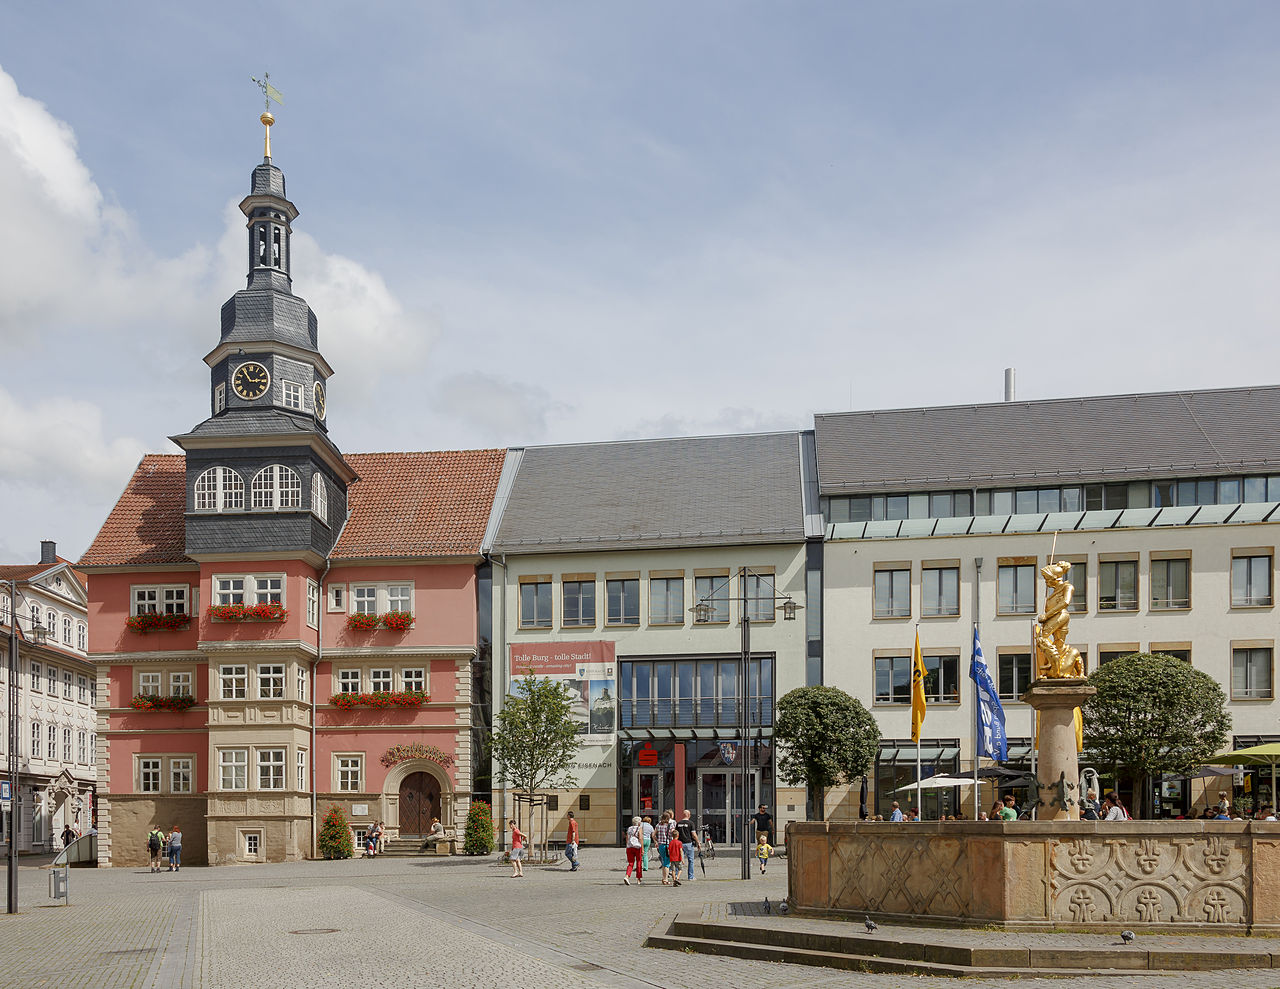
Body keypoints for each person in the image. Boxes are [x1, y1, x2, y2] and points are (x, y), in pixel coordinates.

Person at [674, 810, 699, 882]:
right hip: (688, 843)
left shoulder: (678, 823)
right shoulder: (691, 823)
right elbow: (694, 835)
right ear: (688, 815)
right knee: (691, 860)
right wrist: (698, 842)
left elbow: (676, 834)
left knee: (678, 860)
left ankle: (676, 875)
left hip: (680, 843)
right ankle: (690, 876)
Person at [654, 810, 676, 884]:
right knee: (667, 863)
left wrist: (657, 841)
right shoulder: (670, 825)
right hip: (668, 845)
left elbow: (653, 835)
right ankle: (665, 879)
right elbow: (673, 834)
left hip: (661, 845)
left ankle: (664, 878)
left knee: (663, 861)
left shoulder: (658, 825)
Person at [623, 816, 644, 885]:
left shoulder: (629, 828)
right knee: (639, 862)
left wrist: (627, 846)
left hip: (629, 847)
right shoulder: (639, 828)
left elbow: (627, 838)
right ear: (639, 822)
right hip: (637, 847)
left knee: (631, 863)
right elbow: (640, 838)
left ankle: (627, 876)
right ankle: (638, 879)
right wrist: (642, 848)